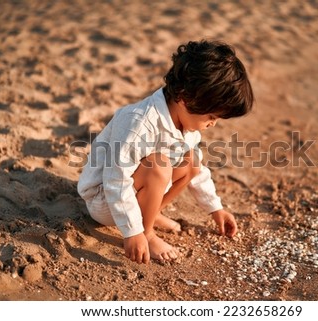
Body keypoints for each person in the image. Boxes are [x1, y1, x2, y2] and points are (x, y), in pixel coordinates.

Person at [77, 40, 254, 264]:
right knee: (158, 166)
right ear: (184, 97)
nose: (213, 124)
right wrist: (133, 232)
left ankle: (149, 213)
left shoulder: (185, 124)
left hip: (131, 191)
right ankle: (147, 231)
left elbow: (198, 174)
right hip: (103, 199)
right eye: (211, 117)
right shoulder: (141, 122)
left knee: (192, 162)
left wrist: (215, 208)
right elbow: (116, 179)